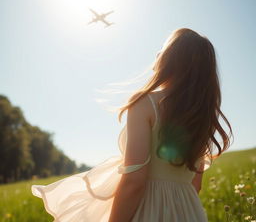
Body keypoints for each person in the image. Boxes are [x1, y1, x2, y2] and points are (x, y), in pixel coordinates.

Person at [31, 28, 233, 222]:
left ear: (170, 59)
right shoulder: (201, 114)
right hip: (188, 212)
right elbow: (195, 185)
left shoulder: (145, 103)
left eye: (162, 49)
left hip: (147, 211)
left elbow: (134, 181)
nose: (157, 53)